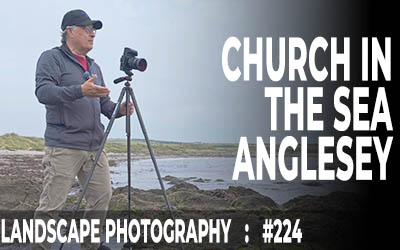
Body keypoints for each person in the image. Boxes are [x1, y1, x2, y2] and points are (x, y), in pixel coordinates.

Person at [32, 9, 133, 250]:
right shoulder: (52, 58)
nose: (93, 34)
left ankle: (91, 245)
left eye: (94, 31)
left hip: (94, 146)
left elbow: (104, 105)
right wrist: (80, 90)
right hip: (63, 145)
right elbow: (43, 93)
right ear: (70, 30)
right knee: (51, 205)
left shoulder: (94, 66)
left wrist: (119, 109)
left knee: (101, 198)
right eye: (87, 29)